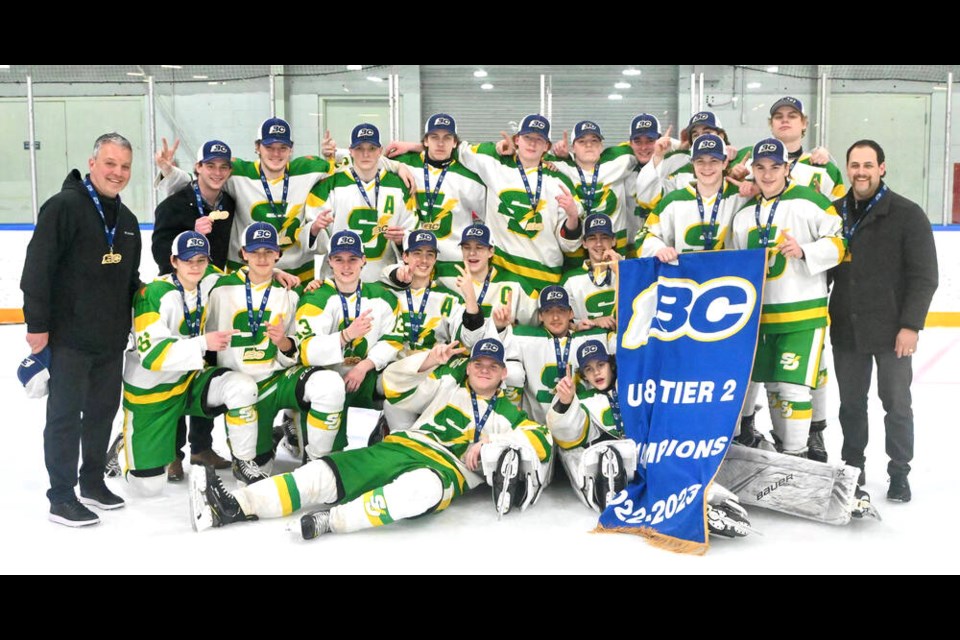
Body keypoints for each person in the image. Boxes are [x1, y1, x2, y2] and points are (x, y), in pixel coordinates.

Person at [189, 338, 552, 538]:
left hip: (446, 470)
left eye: (492, 367)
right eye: (478, 364)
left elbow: (540, 442)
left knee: (418, 493)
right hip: (401, 447)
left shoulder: (513, 416)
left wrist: (492, 444)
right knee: (320, 475)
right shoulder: (444, 385)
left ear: (504, 373)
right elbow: (394, 386)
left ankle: (333, 521)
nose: (484, 371)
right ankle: (233, 507)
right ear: (469, 367)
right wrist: (426, 361)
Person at [20, 132, 142, 527]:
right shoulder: (63, 207)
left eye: (124, 166)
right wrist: (37, 327)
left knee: (102, 413)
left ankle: (92, 482)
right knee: (65, 417)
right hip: (68, 338)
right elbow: (37, 269)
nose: (117, 173)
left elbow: (128, 277)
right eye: (110, 163)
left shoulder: (126, 220)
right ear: (92, 164)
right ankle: (61, 496)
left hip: (109, 340)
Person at [547, 340, 751, 537]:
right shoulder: (585, 403)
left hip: (649, 457)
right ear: (583, 376)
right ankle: (682, 510)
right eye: (589, 369)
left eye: (600, 365)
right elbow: (571, 433)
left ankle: (708, 500)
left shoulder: (634, 390)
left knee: (670, 462)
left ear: (611, 365)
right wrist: (566, 403)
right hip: (618, 470)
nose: (597, 372)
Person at [829, 140, 938, 502]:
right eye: (855, 165)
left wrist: (911, 325)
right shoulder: (834, 213)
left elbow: (924, 276)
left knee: (896, 403)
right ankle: (853, 467)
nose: (861, 172)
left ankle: (899, 471)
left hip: (893, 330)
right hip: (846, 327)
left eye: (868, 165)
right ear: (847, 169)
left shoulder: (907, 214)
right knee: (851, 404)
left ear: (882, 168)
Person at [117, 231, 259, 496]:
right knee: (147, 488)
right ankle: (125, 441)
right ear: (173, 261)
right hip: (152, 392)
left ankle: (245, 463)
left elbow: (247, 276)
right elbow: (153, 356)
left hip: (189, 381)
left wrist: (282, 276)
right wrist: (204, 343)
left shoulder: (208, 279)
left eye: (201, 259)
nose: (195, 266)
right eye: (187, 260)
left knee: (241, 387)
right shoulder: (153, 294)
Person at [729, 138, 845, 458]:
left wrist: (805, 250)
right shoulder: (743, 216)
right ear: (752, 170)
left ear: (788, 167)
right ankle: (785, 452)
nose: (767, 174)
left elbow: (840, 243)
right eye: (761, 168)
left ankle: (797, 457)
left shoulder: (811, 201)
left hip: (802, 314)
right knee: (774, 389)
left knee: (794, 388)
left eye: (775, 167)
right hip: (761, 318)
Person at [204, 222, 346, 481]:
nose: (262, 258)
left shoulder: (290, 294)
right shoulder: (218, 287)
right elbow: (188, 275)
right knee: (256, 471)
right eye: (255, 251)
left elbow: (296, 347)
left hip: (279, 379)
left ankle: (317, 463)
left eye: (269, 252)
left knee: (329, 384)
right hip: (242, 387)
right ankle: (267, 438)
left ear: (278, 254)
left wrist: (282, 342)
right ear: (243, 253)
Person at [156, 118, 339, 283]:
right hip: (246, 274)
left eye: (282, 147)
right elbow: (200, 181)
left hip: (298, 275)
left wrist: (333, 155)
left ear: (291, 149)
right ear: (257, 147)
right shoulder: (237, 173)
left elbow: (350, 170)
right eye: (269, 147)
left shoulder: (309, 169)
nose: (276, 154)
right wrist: (168, 170)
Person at [150, 139, 236, 479]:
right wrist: (190, 235)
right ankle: (172, 453)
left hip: (212, 297)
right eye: (210, 165)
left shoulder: (229, 201)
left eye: (223, 166)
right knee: (176, 371)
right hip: (179, 297)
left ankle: (201, 448)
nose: (217, 172)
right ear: (197, 168)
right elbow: (160, 254)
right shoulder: (174, 204)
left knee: (206, 368)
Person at [294, 229, 401, 451]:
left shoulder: (381, 296)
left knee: (404, 381)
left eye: (353, 259)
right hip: (327, 378)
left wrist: (364, 366)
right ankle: (303, 438)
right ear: (329, 261)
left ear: (363, 260)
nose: (346, 266)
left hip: (366, 375)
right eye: (339, 259)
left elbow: (395, 338)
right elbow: (307, 351)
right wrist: (346, 336)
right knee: (330, 454)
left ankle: (395, 437)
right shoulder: (316, 296)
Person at [383, 114, 487, 290]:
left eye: (447, 138)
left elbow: (488, 219)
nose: (440, 143)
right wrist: (396, 166)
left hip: (453, 264)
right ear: (425, 140)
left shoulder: (469, 176)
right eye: (434, 137)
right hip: (415, 262)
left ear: (455, 143)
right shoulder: (406, 163)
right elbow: (367, 160)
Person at [308, 123, 416, 284]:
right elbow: (315, 241)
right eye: (359, 149)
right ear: (350, 150)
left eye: (372, 148)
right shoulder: (330, 184)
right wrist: (315, 229)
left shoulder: (398, 186)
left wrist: (401, 241)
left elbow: (412, 232)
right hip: (338, 283)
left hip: (385, 282)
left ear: (380, 151)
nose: (366, 154)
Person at [561, 213, 621, 330]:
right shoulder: (570, 279)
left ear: (613, 240)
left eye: (604, 237)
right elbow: (558, 322)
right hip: (588, 345)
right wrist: (589, 323)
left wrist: (620, 270)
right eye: (592, 238)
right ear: (584, 243)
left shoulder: (629, 271)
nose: (598, 243)